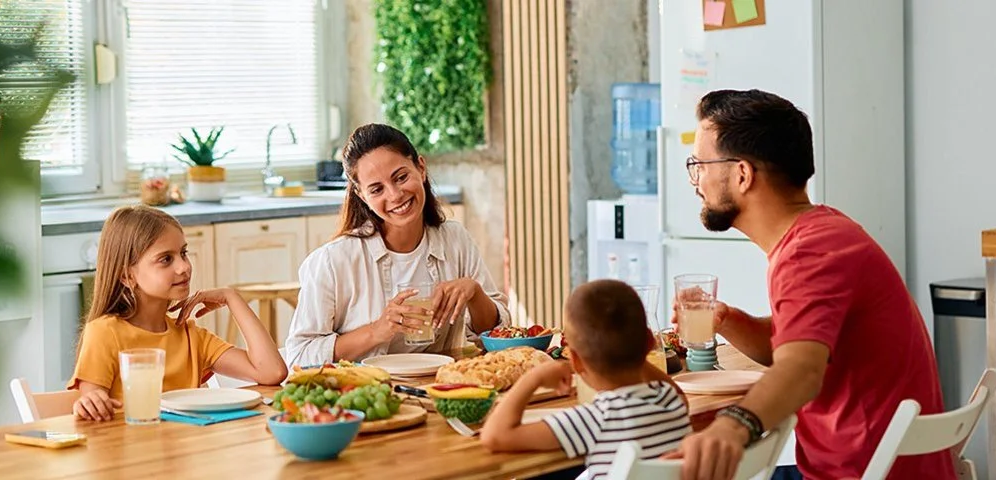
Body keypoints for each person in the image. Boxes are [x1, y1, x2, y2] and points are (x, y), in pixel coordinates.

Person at [663, 89, 951, 480]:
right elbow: (800, 348)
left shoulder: (807, 253)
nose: (695, 180)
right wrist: (728, 320)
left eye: (700, 164)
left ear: (742, 175)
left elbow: (800, 371)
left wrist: (731, 426)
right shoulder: (825, 231)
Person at [285, 123, 510, 366]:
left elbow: (498, 333)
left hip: (437, 387)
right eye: (377, 189)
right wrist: (378, 330)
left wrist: (475, 293)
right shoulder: (332, 261)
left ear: (421, 168)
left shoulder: (455, 240)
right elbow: (299, 355)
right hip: (364, 395)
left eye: (401, 177)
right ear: (362, 195)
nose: (394, 195)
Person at [67, 205, 287, 421]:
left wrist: (232, 298)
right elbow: (92, 402)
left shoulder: (192, 337)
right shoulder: (104, 333)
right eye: (166, 259)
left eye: (183, 253)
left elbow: (272, 372)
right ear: (127, 276)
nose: (184, 267)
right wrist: (90, 402)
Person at [482, 279, 690, 480]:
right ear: (649, 343)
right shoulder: (670, 399)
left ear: (575, 361)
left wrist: (533, 377)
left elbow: (494, 436)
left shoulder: (593, 419)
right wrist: (634, 348)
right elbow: (675, 390)